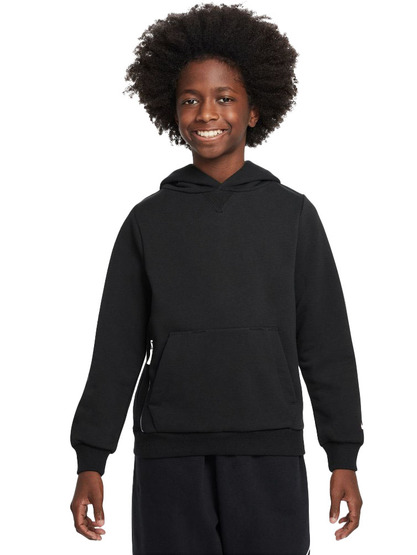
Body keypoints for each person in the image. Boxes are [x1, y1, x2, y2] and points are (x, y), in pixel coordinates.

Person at [69, 3, 364, 553]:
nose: (207, 112)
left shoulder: (293, 216)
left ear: (254, 111)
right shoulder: (147, 221)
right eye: (191, 99)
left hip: (269, 449)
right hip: (168, 452)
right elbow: (116, 347)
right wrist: (92, 459)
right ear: (172, 110)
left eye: (225, 98)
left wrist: (342, 454)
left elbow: (326, 343)